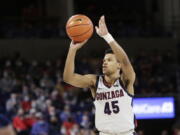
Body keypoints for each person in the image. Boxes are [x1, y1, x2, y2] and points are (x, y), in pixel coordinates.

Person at [63, 15, 136, 135]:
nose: (104, 62)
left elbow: (125, 62)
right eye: (104, 60)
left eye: (109, 60)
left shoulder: (125, 80)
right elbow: (68, 78)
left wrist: (107, 37)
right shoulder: (95, 82)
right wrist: (72, 50)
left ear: (119, 65)